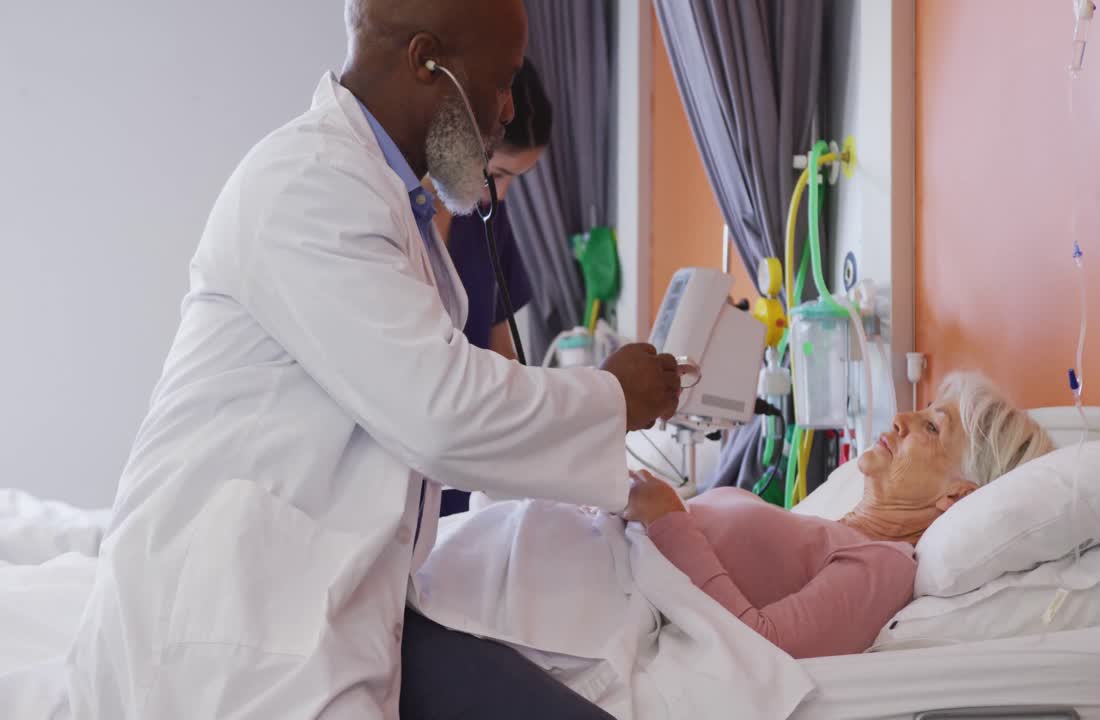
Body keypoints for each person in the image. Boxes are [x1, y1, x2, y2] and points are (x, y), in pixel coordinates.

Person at [67, 1, 679, 718]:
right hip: (230, 628)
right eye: (504, 79)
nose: (509, 108)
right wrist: (611, 395)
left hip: (335, 598)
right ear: (428, 61)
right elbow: (442, 414)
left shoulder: (387, 201)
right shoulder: (307, 185)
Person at [622, 371, 1055, 659]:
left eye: (931, 427)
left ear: (957, 495)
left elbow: (762, 647)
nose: (901, 419)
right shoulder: (829, 528)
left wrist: (668, 520)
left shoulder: (883, 565)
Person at [432, 58, 549, 516]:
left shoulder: (487, 220)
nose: (498, 196)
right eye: (496, 174)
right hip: (405, 469)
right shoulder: (394, 219)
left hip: (470, 484)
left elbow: (504, 355)